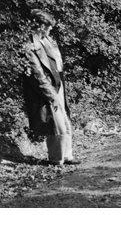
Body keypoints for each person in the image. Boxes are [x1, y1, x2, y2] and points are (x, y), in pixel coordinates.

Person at [22, 9, 80, 166]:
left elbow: (57, 63)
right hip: (46, 88)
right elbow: (37, 74)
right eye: (48, 25)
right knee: (55, 123)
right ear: (40, 25)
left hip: (58, 84)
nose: (50, 29)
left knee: (64, 118)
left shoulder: (47, 40)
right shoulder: (29, 46)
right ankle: (56, 159)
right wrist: (50, 93)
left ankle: (67, 155)